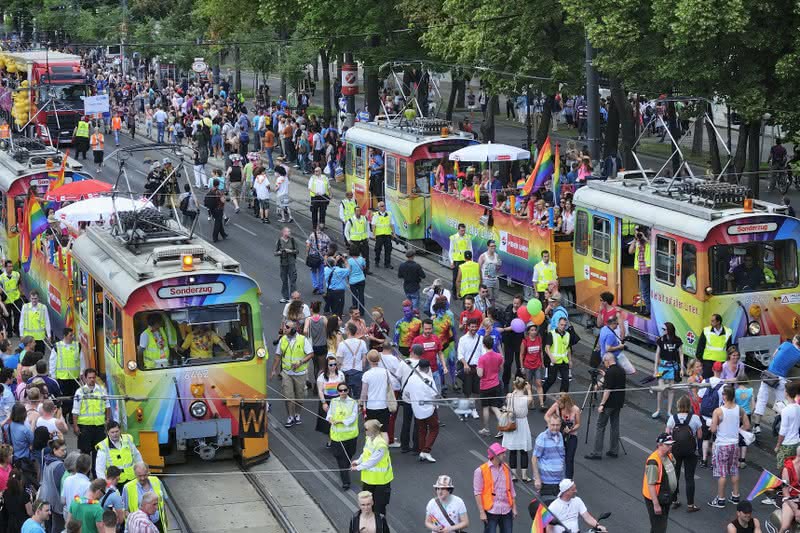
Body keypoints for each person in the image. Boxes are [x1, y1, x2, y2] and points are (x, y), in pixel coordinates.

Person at [708, 385, 749, 509]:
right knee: (734, 470)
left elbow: (713, 429)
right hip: (734, 444)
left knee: (722, 473)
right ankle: (735, 496)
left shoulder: (718, 411)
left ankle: (721, 499)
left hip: (722, 445)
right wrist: (737, 430)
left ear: (724, 396)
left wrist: (712, 427)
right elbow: (747, 425)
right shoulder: (740, 409)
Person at [752, 335, 800, 435]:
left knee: (761, 400)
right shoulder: (799, 354)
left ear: (795, 340)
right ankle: (781, 425)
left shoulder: (786, 344)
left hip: (769, 375)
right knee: (782, 403)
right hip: (781, 380)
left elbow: (774, 355)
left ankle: (757, 426)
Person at [271, 320, 313, 428]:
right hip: (286, 373)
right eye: (285, 326)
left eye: (287, 327)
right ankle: (290, 416)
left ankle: (297, 414)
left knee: (300, 397)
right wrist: (273, 370)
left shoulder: (302, 340)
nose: (285, 328)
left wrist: (300, 362)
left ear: (294, 329)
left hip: (300, 373)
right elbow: (277, 356)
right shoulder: (283, 340)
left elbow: (310, 354)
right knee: (288, 396)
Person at [585, 353, 626, 460]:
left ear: (607, 361)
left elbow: (607, 389)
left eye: (604, 362)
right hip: (618, 403)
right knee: (614, 426)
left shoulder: (610, 372)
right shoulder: (621, 370)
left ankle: (597, 452)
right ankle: (614, 450)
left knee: (600, 426)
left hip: (609, 403)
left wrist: (602, 404)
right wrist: (605, 376)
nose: (604, 364)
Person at [665, 395, 702, 513]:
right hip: (691, 451)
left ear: (678, 405)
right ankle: (691, 505)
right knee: (689, 477)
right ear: (689, 406)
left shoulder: (672, 418)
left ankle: (674, 501)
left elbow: (667, 435)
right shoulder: (695, 418)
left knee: (674, 476)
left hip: (675, 450)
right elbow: (700, 436)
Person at [352, 419, 393, 516]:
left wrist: (358, 468)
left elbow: (372, 461)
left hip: (381, 482)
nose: (364, 430)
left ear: (373, 430)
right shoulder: (369, 439)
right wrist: (358, 461)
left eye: (366, 429)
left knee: (379, 508)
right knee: (367, 506)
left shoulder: (381, 445)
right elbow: (365, 453)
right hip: (369, 480)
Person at [473, 442, 516, 532]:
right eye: (502, 453)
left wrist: (514, 508)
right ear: (495, 455)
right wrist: (481, 512)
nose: (504, 455)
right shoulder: (480, 470)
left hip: (506, 509)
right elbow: (477, 493)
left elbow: (511, 489)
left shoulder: (506, 468)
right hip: (491, 510)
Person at [404, 358, 440, 463]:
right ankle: (426, 450)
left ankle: (421, 450)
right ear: (428, 368)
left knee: (421, 429)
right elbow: (435, 395)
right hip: (429, 409)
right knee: (434, 428)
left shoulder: (412, 379)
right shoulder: (429, 380)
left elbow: (406, 393)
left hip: (416, 409)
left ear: (418, 367)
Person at [643, 433, 678, 533]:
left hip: (665, 497)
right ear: (660, 445)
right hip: (656, 498)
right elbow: (651, 484)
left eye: (671, 444)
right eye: (668, 445)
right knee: (660, 528)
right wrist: (656, 505)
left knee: (658, 526)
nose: (671, 447)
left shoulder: (669, 456)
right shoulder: (653, 462)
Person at [73, 368, 111, 461]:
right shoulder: (80, 392)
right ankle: (85, 473)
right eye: (89, 378)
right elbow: (75, 410)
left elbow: (107, 406)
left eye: (93, 377)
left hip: (99, 426)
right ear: (85, 378)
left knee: (98, 452)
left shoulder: (102, 390)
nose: (92, 379)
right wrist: (75, 426)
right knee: (85, 453)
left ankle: (96, 474)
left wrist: (107, 420)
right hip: (85, 427)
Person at [327, 382, 359, 490]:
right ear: (338, 392)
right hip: (337, 437)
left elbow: (353, 417)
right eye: (341, 390)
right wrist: (330, 419)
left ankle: (345, 468)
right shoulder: (333, 401)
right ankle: (346, 482)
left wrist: (341, 421)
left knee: (349, 455)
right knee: (341, 460)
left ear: (348, 391)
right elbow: (329, 414)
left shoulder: (353, 402)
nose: (343, 392)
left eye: (345, 390)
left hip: (350, 436)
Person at [121, 463, 168, 533]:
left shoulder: (156, 481)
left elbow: (163, 501)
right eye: (139, 476)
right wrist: (135, 520)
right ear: (135, 474)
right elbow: (124, 510)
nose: (142, 478)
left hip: (158, 523)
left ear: (148, 472)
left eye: (145, 475)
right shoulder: (127, 488)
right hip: (140, 527)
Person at [503, 377, 533, 482]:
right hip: (523, 423)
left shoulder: (509, 396)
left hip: (512, 421)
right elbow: (530, 399)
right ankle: (524, 475)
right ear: (525, 386)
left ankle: (513, 475)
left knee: (513, 451)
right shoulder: (527, 398)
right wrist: (529, 389)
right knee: (523, 450)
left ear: (514, 386)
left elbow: (511, 395)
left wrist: (515, 389)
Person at [544, 393, 581, 480]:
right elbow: (547, 415)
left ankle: (568, 479)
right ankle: (554, 476)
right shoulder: (556, 405)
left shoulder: (575, 409)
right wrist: (553, 424)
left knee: (569, 458)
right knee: (556, 456)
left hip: (571, 435)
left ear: (566, 403)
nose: (558, 404)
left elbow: (578, 424)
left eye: (560, 403)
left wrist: (571, 429)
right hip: (558, 435)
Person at [652, 322, 684, 419]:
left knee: (671, 389)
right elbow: (657, 354)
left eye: (664, 329)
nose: (663, 331)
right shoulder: (661, 340)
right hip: (662, 366)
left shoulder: (677, 340)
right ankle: (658, 409)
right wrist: (655, 369)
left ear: (669, 330)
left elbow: (681, 354)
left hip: (672, 366)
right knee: (660, 388)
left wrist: (682, 368)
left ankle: (669, 411)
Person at [95, 420, 142, 486]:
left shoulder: (127, 439)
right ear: (107, 433)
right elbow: (99, 469)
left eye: (117, 431)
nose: (115, 434)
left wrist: (141, 470)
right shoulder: (103, 446)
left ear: (120, 430)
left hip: (132, 478)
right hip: (116, 482)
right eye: (112, 432)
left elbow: (137, 456)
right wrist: (106, 485)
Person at [532, 416, 566, 503]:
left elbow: (561, 456)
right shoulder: (542, 437)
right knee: (547, 512)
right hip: (546, 482)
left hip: (559, 482)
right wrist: (537, 478)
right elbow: (534, 458)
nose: (555, 427)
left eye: (557, 425)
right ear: (548, 424)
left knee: (558, 511)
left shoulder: (560, 436)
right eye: (553, 425)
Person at [360, 350, 391, 441]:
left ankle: (371, 451)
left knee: (371, 431)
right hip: (384, 406)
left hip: (371, 406)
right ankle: (385, 451)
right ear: (379, 359)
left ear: (369, 360)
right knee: (384, 431)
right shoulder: (386, 372)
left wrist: (361, 403)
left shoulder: (367, 374)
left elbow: (364, 393)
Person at [476, 335, 503, 437]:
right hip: (495, 384)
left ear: (483, 345)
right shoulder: (499, 356)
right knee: (495, 407)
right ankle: (502, 428)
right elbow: (500, 368)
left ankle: (486, 429)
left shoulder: (482, 359)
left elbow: (480, 374)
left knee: (486, 408)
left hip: (485, 386)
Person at [696, 314, 733, 379]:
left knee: (720, 380)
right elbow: (700, 346)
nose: (711, 322)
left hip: (721, 361)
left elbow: (729, 347)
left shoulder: (728, 332)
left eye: (713, 321)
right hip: (708, 361)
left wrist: (728, 360)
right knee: (707, 381)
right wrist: (701, 360)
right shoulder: (706, 331)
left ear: (718, 322)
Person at [337, 322, 368, 400]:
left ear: (348, 331)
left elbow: (339, 361)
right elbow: (364, 359)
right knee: (358, 396)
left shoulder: (342, 344)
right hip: (358, 372)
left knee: (345, 396)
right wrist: (361, 367)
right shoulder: (362, 343)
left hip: (346, 372)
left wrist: (339, 370)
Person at [543, 317, 572, 395]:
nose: (563, 326)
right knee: (551, 380)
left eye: (564, 325)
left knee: (566, 381)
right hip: (554, 361)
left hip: (564, 361)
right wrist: (551, 357)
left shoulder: (568, 335)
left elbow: (568, 348)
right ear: (558, 324)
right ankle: (542, 393)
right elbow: (547, 348)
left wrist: (570, 360)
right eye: (561, 324)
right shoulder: (551, 334)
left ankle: (562, 399)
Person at [627, 225, 651, 316]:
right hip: (641, 268)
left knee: (645, 290)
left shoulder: (649, 239)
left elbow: (653, 245)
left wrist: (644, 238)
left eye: (637, 231)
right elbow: (630, 251)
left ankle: (649, 310)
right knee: (644, 290)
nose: (637, 233)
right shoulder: (637, 241)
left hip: (648, 268)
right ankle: (648, 308)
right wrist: (635, 239)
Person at [520, 324, 545, 409]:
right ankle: (531, 402)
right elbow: (521, 354)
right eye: (532, 330)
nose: (534, 332)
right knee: (529, 384)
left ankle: (542, 403)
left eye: (535, 330)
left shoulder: (539, 339)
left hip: (537, 364)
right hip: (528, 366)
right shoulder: (525, 341)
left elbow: (541, 351)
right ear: (528, 332)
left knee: (539, 383)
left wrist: (542, 363)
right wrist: (522, 366)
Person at [275, 227, 298, 304]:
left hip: (291, 263)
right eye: (288, 231)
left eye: (289, 231)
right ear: (284, 232)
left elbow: (297, 251)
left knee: (293, 280)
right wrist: (280, 252)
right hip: (283, 264)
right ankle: (285, 297)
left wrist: (290, 251)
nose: (290, 233)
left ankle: (293, 297)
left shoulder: (292, 240)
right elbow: (275, 253)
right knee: (284, 280)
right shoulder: (279, 241)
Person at [448, 223, 473, 293]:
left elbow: (470, 249)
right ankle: (454, 292)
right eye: (462, 230)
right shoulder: (453, 238)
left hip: (466, 260)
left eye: (464, 230)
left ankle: (463, 291)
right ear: (458, 230)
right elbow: (451, 251)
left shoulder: (468, 237)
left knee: (465, 277)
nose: (463, 232)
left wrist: (471, 260)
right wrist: (451, 261)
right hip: (457, 260)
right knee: (456, 277)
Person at [306, 225, 330, 295]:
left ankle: (315, 285)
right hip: (321, 257)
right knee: (321, 273)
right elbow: (328, 250)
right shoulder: (327, 238)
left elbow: (308, 245)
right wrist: (326, 257)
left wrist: (307, 254)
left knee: (313, 271)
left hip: (313, 256)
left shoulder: (312, 235)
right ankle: (320, 289)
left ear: (317, 228)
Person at [345, 210, 371, 274]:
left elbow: (367, 228)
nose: (358, 212)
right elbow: (346, 231)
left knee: (366, 256)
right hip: (355, 241)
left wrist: (368, 236)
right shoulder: (351, 220)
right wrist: (348, 239)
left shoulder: (364, 218)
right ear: (354, 212)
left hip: (363, 240)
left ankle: (366, 269)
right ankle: (355, 269)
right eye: (357, 211)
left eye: (359, 211)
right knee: (355, 256)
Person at [0, 260, 23, 335]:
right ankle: (9, 331)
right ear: (5, 267)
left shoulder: (16, 274)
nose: (11, 268)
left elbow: (19, 284)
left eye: (12, 266)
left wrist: (20, 294)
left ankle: (16, 329)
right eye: (9, 266)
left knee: (18, 316)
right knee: (7, 317)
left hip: (16, 298)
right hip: (6, 300)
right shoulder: (1, 277)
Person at [372, 201, 394, 269]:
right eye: (381, 206)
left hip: (387, 235)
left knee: (388, 250)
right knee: (378, 249)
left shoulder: (389, 214)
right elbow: (373, 225)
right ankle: (377, 261)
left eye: (384, 205)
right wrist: (374, 234)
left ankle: (387, 263)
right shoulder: (376, 215)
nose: (383, 207)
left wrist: (393, 233)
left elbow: (392, 224)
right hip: (379, 235)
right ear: (378, 208)